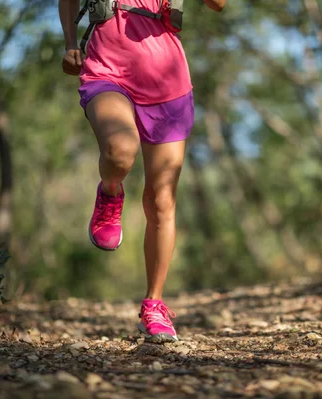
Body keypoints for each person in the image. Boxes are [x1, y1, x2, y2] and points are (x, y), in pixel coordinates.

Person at [58, 0, 226, 343]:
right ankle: (110, 190)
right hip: (107, 68)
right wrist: (71, 43)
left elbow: (218, 4)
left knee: (162, 201)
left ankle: (154, 304)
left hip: (168, 83)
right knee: (120, 153)